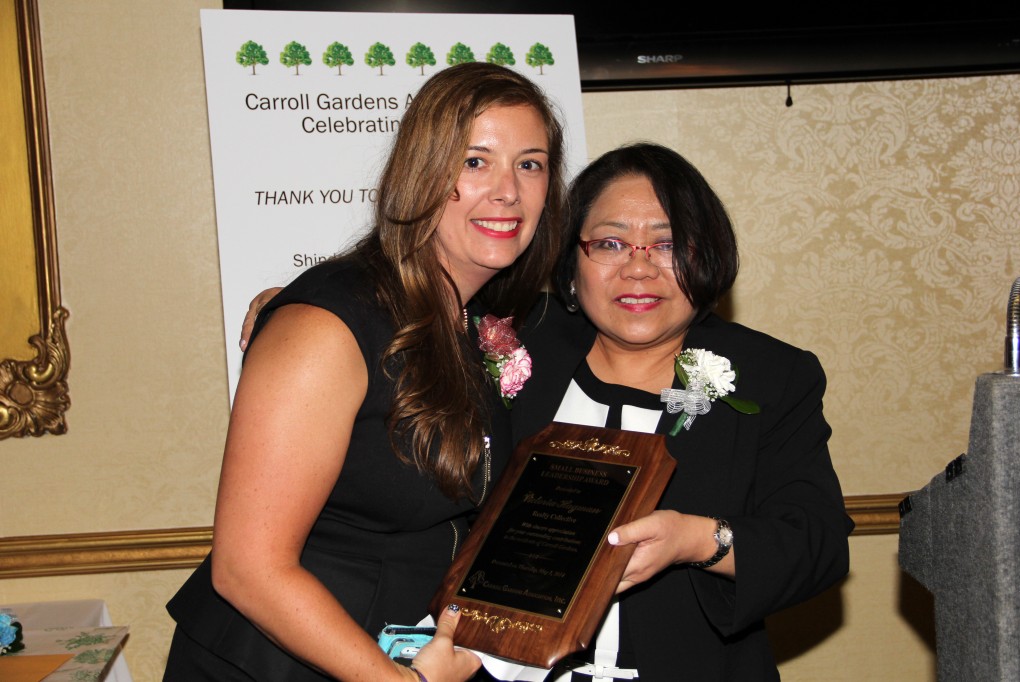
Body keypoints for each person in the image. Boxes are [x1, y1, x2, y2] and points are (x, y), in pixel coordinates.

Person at [239, 143, 853, 681]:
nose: (637, 267)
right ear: (570, 259)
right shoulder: (514, 340)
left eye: (667, 244)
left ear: (708, 254)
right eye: (609, 243)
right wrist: (293, 307)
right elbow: (388, 314)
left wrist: (695, 540)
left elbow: (818, 544)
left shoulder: (771, 375)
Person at [164, 62, 567, 682]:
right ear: (422, 172)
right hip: (284, 665)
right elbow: (248, 567)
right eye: (474, 161)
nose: (508, 190)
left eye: (530, 164)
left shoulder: (469, 319)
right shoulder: (327, 327)